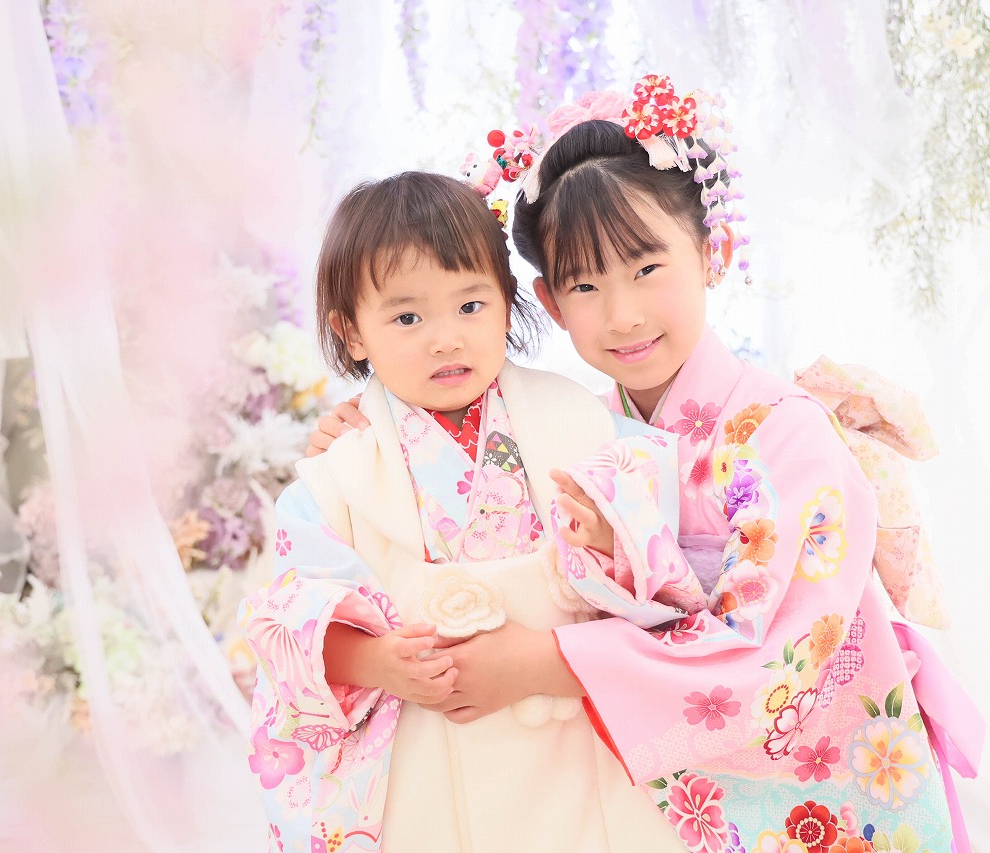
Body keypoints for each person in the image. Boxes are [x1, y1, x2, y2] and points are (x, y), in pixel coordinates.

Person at [306, 76, 983, 853]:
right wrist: (373, 439)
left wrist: (550, 662)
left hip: (821, 784)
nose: (622, 313)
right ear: (550, 304)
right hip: (661, 806)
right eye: (585, 284)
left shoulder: (787, 434)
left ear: (712, 254)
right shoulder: (579, 429)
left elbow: (776, 658)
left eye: (647, 268)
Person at [238, 170, 690, 852]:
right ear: (351, 331)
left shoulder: (586, 426)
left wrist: (612, 535)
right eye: (407, 318)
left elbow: (669, 575)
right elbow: (291, 623)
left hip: (578, 749)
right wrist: (375, 659)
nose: (445, 338)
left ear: (507, 304)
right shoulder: (333, 480)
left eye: (471, 305)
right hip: (429, 757)